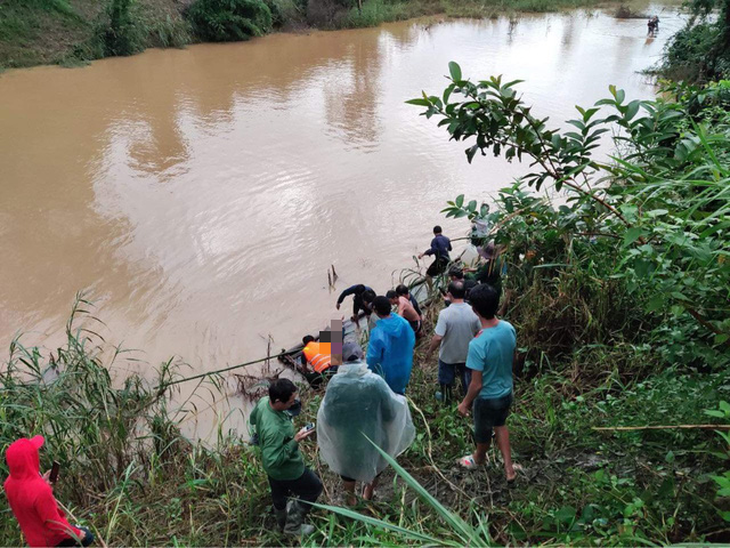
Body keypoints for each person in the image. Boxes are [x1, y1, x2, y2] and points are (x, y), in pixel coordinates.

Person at [317, 343, 415, 505]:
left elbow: (329, 418)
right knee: (375, 464)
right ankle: (368, 493)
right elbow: (390, 412)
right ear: (362, 357)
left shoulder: (335, 384)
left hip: (346, 439)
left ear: (341, 361)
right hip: (374, 436)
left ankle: (351, 498)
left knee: (347, 470)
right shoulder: (375, 382)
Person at [456, 284, 519, 483]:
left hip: (487, 399)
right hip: (506, 391)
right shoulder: (508, 328)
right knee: (500, 424)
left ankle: (479, 458)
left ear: (474, 310)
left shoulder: (477, 344)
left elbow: (476, 385)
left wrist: (465, 403)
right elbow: (514, 356)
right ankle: (509, 469)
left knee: (482, 432)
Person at [249, 379, 322, 536]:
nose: (292, 404)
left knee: (279, 493)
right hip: (288, 469)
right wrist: (295, 440)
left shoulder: (263, 402)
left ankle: (282, 523)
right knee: (314, 488)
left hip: (272, 471)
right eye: (289, 402)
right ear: (277, 401)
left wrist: (262, 435)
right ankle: (293, 527)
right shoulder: (275, 430)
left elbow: (252, 419)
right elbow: (273, 460)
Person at [4, 436, 95, 548]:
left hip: (35, 541)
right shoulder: (40, 490)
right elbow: (55, 524)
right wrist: (78, 534)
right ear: (31, 459)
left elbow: (28, 499)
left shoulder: (9, 483)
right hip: (51, 541)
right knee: (88, 536)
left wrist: (42, 483)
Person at [426, 281, 481, 403]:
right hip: (467, 354)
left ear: (449, 294)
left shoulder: (444, 314)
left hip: (448, 355)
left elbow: (438, 337)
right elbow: (480, 331)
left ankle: (447, 398)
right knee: (467, 377)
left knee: (446, 379)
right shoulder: (474, 311)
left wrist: (430, 351)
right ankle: (469, 400)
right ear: (465, 293)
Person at [366, 296, 416, 395]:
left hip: (387, 373)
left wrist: (369, 372)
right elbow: (412, 340)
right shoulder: (404, 323)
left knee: (389, 398)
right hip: (404, 367)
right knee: (400, 394)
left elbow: (372, 358)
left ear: (376, 311)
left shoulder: (377, 333)